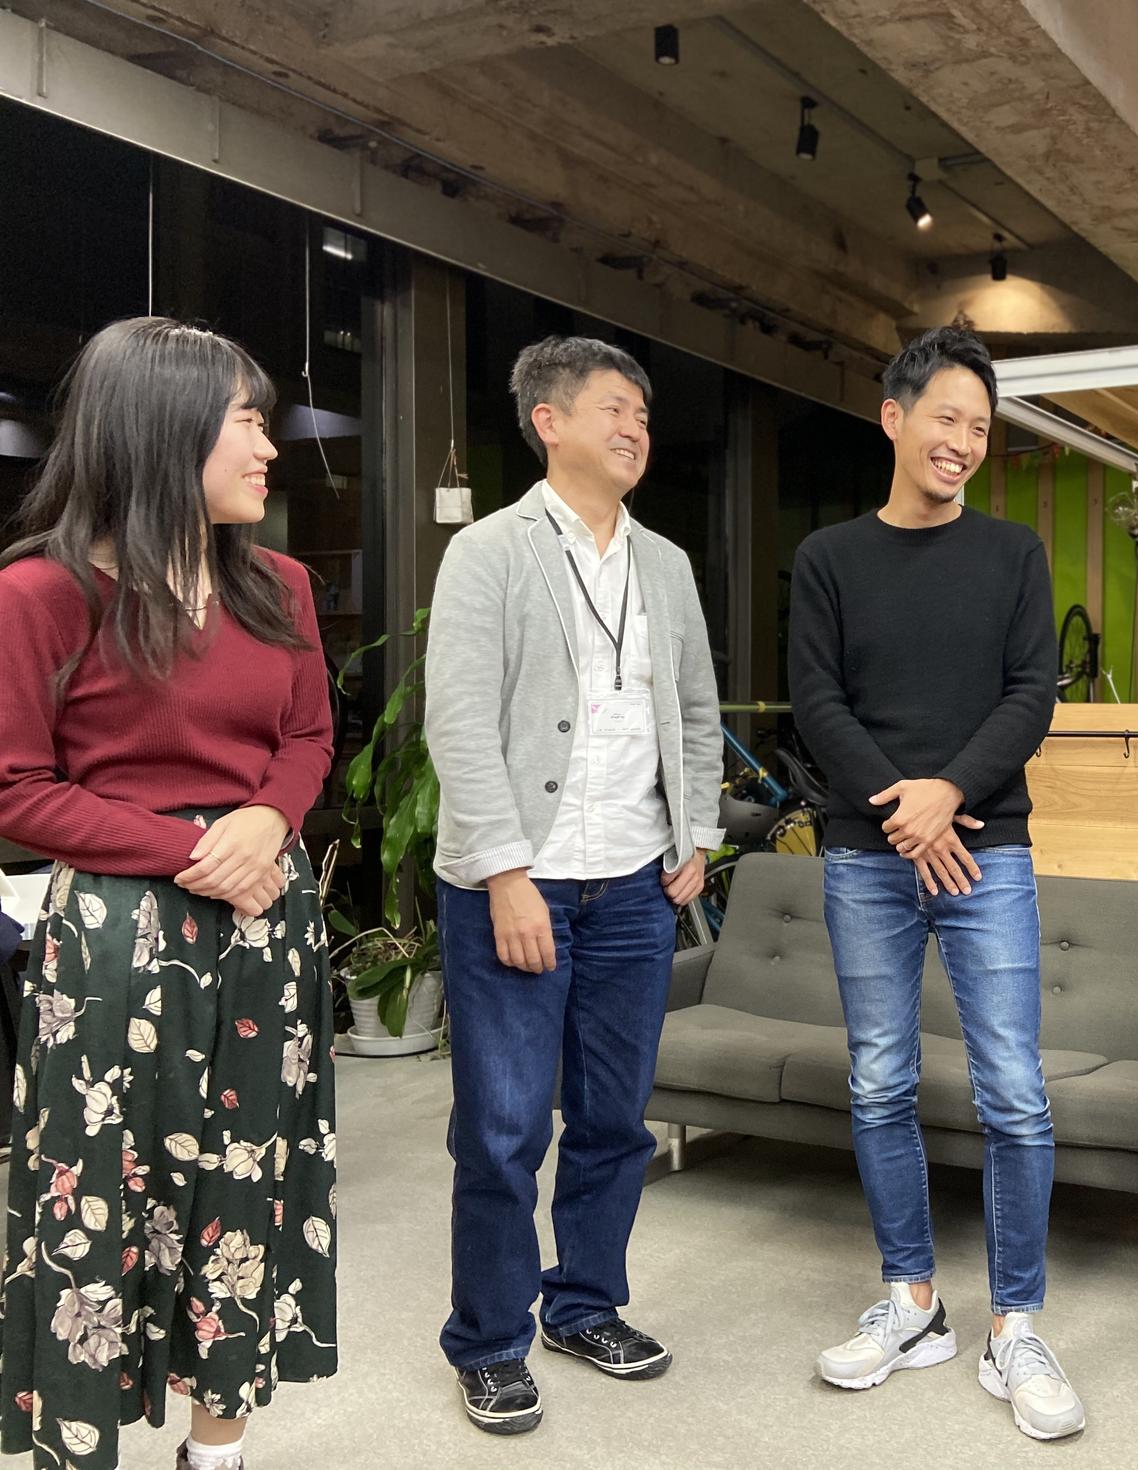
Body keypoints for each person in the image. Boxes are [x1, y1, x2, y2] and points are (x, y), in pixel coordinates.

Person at [0, 318, 339, 1470]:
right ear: (166, 427)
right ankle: (80, 1441)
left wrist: (266, 821)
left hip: (263, 933)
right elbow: (17, 788)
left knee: (246, 1191)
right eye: (248, 421)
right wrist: (196, 848)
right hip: (117, 948)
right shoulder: (43, 592)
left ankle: (217, 1451)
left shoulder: (279, 586)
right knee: (97, 1200)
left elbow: (307, 737)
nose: (269, 448)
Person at [788, 326, 1083, 1441]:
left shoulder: (1012, 554)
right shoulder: (829, 558)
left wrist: (946, 793)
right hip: (867, 855)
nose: (962, 440)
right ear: (894, 418)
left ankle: (1015, 1326)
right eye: (945, 417)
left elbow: (1031, 693)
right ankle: (913, 1303)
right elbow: (817, 701)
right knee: (879, 1081)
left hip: (986, 847)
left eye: (980, 426)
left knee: (1014, 1090)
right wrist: (901, 813)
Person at [424, 336, 722, 1435]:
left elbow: (696, 711)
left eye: (643, 412)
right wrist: (504, 871)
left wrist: (695, 833)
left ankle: (585, 1305)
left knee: (612, 1119)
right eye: (613, 408)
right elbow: (459, 721)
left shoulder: (666, 565)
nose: (635, 427)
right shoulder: (490, 552)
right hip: (519, 881)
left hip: (636, 885)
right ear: (548, 422)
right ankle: (490, 1340)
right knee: (503, 1128)